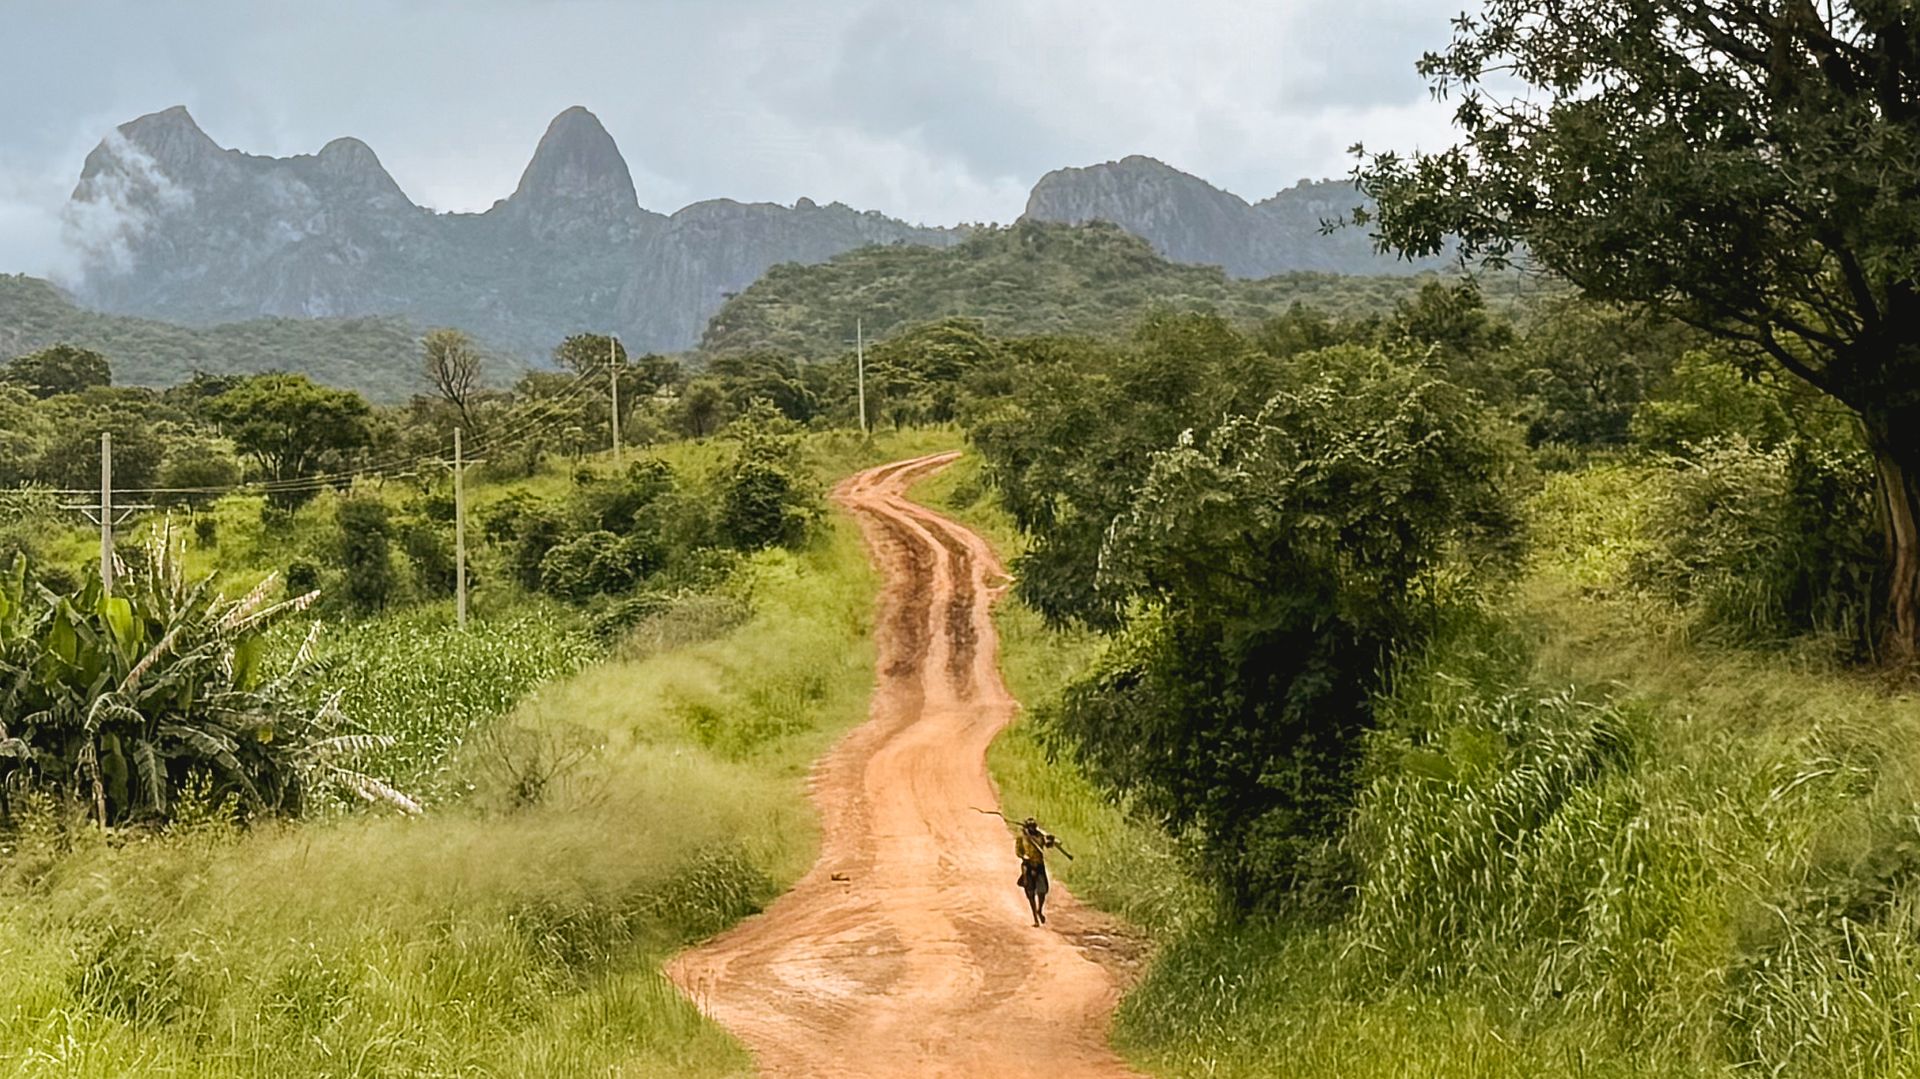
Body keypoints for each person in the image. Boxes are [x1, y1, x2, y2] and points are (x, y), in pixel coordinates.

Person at [1014, 816, 1069, 927]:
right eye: (1030, 827)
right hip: (1027, 867)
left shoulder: (1040, 836)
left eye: (1034, 827)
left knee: (1042, 891)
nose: (1033, 829)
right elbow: (1018, 851)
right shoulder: (1021, 838)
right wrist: (1024, 856)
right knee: (1030, 893)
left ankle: (1039, 910)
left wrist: (1052, 839)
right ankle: (1035, 918)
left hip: (1039, 866)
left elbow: (1051, 844)